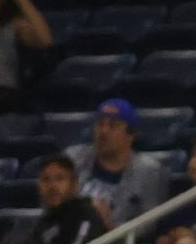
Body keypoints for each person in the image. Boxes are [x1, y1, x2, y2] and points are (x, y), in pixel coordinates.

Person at [69, 98, 171, 229]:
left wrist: (109, 225)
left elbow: (149, 226)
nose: (103, 131)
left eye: (113, 125)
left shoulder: (149, 171)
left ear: (130, 136)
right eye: (100, 124)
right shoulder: (74, 158)